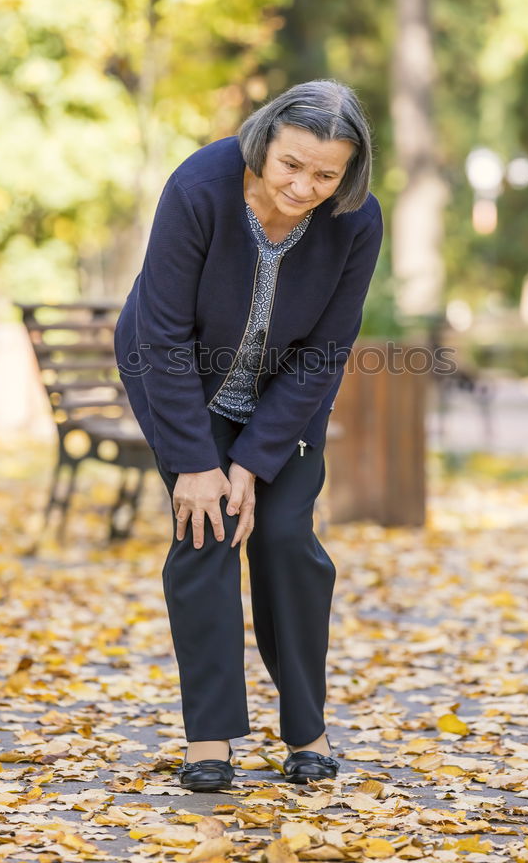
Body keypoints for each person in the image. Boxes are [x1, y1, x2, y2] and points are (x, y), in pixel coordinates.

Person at [114, 78, 383, 791]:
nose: (303, 186)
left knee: (287, 539)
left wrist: (255, 462)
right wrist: (197, 463)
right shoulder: (199, 187)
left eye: (326, 174)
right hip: (178, 378)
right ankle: (210, 739)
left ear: (349, 172)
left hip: (283, 399)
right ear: (264, 142)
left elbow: (326, 348)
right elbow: (163, 335)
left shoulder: (355, 219)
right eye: (291, 164)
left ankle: (307, 730)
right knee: (204, 529)